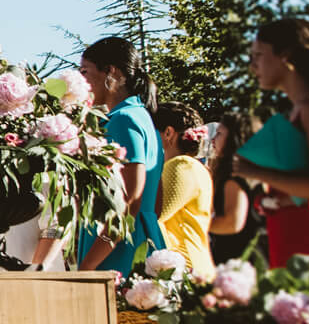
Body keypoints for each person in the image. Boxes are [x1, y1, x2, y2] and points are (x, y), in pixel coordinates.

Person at [233, 17, 309, 273]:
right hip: (296, 235)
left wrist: (255, 172)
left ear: (286, 56)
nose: (252, 65)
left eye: (258, 55)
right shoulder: (308, 106)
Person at [77, 36, 163, 274]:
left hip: (118, 251)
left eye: (85, 72)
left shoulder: (122, 120)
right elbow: (156, 202)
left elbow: (129, 200)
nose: (82, 82)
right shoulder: (144, 118)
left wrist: (88, 265)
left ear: (111, 72)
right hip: (142, 238)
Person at [153, 101, 214, 277]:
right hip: (190, 266)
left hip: (185, 269)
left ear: (168, 133)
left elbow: (155, 214)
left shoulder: (181, 165)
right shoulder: (193, 166)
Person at [207, 112, 264, 263]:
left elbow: (232, 222)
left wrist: (197, 224)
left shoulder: (234, 178)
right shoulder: (253, 172)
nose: (213, 139)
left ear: (234, 139)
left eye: (219, 133)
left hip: (236, 257)